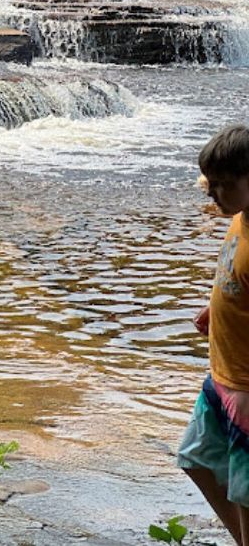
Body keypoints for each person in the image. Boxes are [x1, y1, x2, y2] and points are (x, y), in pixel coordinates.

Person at [178, 123, 249, 546]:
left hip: (245, 388)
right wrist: (217, 307)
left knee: (246, 491)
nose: (213, 195)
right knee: (196, 459)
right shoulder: (239, 218)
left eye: (223, 185)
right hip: (221, 374)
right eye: (210, 184)